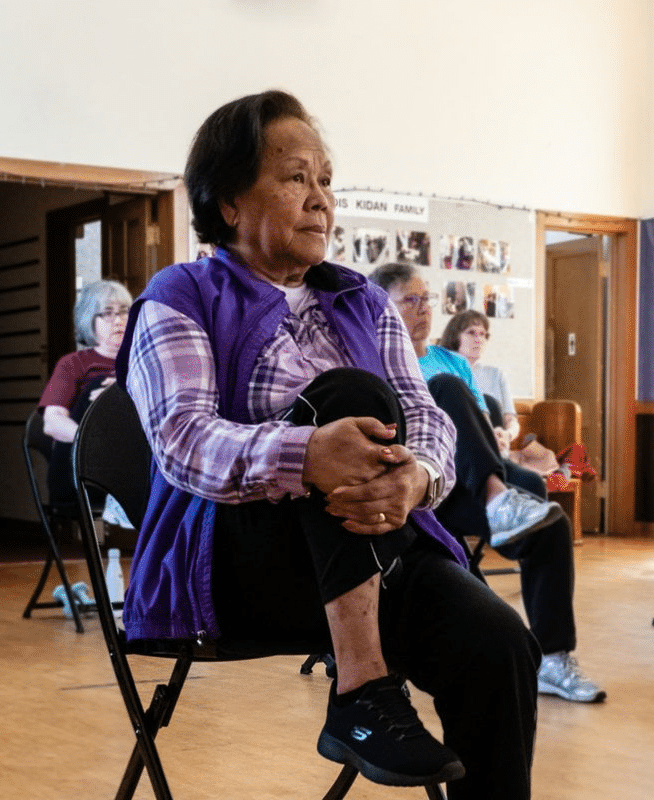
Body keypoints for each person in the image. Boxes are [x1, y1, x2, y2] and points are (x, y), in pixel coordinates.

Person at [118, 90, 538, 798]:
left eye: (325, 181)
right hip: (233, 565)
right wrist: (304, 453)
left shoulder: (362, 301)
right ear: (226, 201)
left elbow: (423, 412)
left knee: (498, 644)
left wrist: (419, 478)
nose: (319, 200)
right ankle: (362, 688)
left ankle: (367, 689)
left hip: (376, 545)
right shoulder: (180, 293)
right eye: (294, 178)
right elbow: (182, 441)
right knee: (349, 400)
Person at [369, 262, 607, 703]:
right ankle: (499, 512)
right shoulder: (374, 361)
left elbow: (478, 425)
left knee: (549, 517)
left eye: (428, 299)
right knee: (444, 390)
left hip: (467, 474)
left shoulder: (452, 361)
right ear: (380, 308)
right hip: (417, 484)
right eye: (411, 300)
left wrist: (498, 437)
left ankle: (553, 660)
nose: (424, 310)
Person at [38, 279, 133, 525]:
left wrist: (127, 389)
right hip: (83, 471)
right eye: (108, 313)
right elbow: (52, 423)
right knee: (98, 389)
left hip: (134, 466)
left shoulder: (142, 361)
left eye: (124, 311)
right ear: (90, 320)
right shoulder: (74, 364)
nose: (119, 320)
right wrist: (97, 441)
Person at [439, 309, 520, 452]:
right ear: (454, 337)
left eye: (482, 334)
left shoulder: (496, 374)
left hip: (496, 451)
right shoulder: (442, 376)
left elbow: (511, 420)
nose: (479, 339)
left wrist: (507, 435)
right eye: (471, 333)